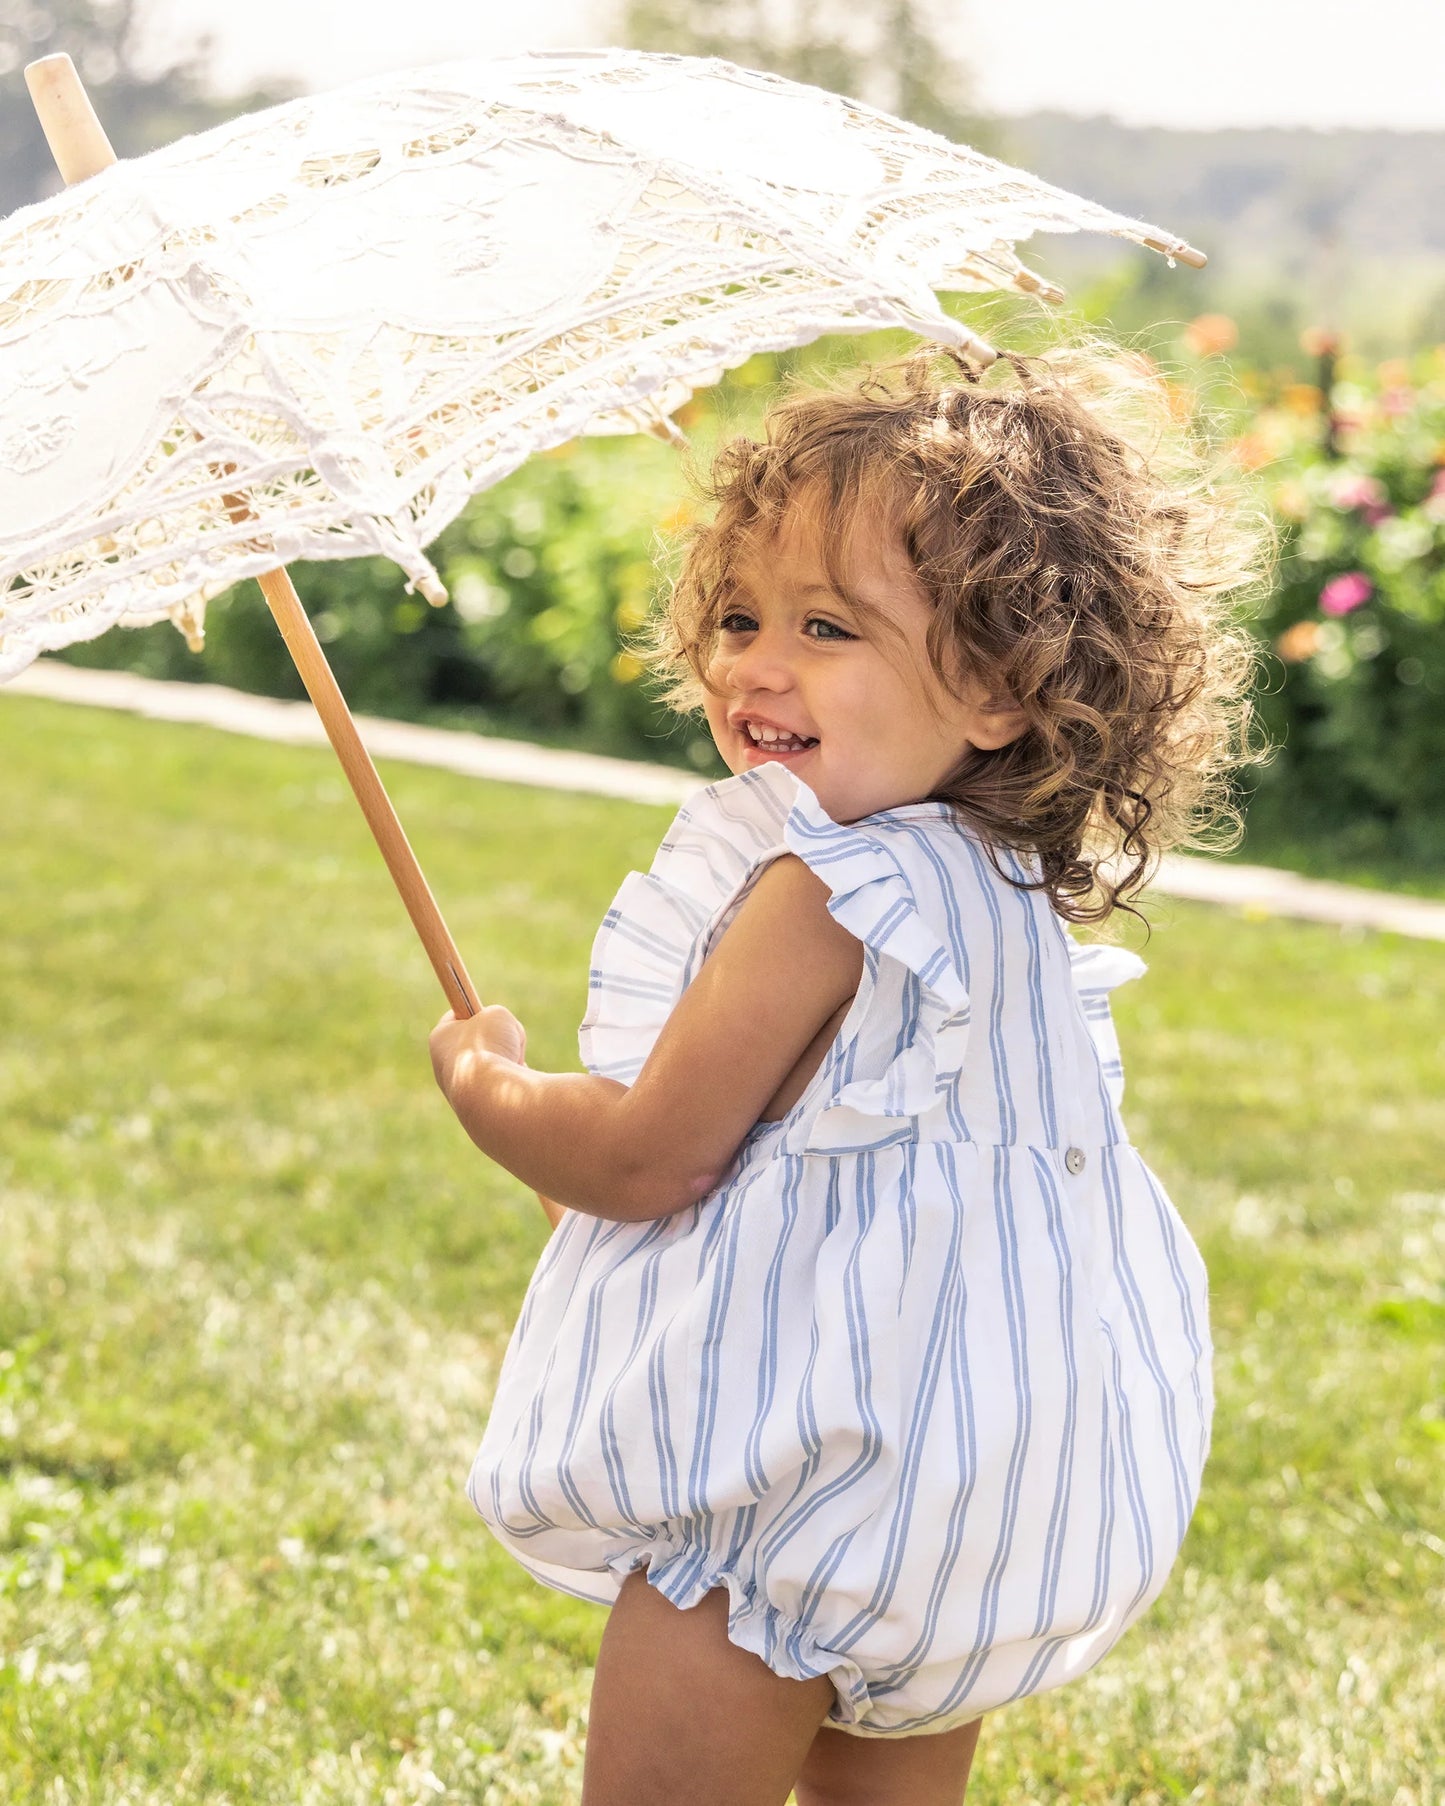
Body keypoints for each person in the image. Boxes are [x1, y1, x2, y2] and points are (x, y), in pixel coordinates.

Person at [429, 338, 1268, 1806]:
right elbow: (811, 1174)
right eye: (740, 613)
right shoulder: (1003, 894)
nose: (757, 663)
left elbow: (645, 1157)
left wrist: (488, 1085)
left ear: (1002, 689)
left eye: (829, 625)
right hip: (963, 1504)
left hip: (785, 1492)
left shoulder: (818, 894)